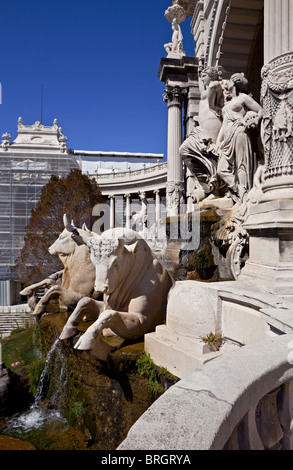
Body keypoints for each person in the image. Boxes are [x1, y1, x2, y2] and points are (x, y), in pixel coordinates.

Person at [216, 73, 263, 203]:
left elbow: (260, 110)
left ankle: (244, 196)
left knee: (242, 165)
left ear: (235, 83)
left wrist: (254, 120)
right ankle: (238, 190)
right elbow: (224, 125)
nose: (227, 83)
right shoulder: (227, 105)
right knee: (221, 170)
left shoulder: (243, 98)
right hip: (228, 138)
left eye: (229, 81)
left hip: (240, 132)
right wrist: (218, 142)